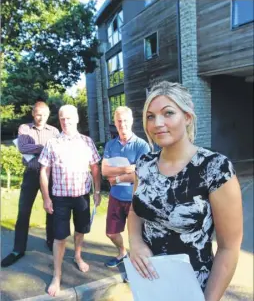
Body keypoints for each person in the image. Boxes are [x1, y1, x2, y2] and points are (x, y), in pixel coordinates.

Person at [128, 81, 243, 300]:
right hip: (149, 284)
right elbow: (135, 211)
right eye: (150, 116)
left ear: (187, 117)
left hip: (194, 289)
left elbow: (229, 248)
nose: (157, 123)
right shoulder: (144, 163)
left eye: (168, 113)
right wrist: (136, 242)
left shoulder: (215, 168)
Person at [39, 104, 101, 297]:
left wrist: (97, 191)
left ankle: (77, 256)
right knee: (59, 237)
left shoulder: (86, 142)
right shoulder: (52, 143)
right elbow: (44, 171)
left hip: (82, 195)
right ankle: (56, 276)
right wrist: (46, 198)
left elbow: (95, 168)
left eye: (69, 118)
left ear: (76, 119)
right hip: (59, 197)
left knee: (81, 230)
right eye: (62, 118)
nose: (66, 122)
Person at [1, 102, 59, 268]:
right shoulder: (24, 128)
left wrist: (36, 150)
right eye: (39, 114)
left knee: (51, 209)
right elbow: (23, 146)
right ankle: (18, 250)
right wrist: (45, 147)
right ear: (33, 113)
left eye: (45, 114)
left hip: (50, 174)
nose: (41, 118)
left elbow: (56, 150)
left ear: (48, 115)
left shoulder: (54, 131)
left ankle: (50, 241)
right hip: (31, 174)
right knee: (23, 211)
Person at [102, 106, 150, 268]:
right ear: (115, 123)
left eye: (125, 121)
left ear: (131, 121)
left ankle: (137, 267)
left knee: (135, 237)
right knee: (111, 233)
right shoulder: (110, 145)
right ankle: (122, 252)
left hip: (134, 198)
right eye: (119, 121)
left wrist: (116, 179)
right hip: (116, 197)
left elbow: (140, 174)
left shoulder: (142, 146)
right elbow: (104, 170)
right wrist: (125, 169)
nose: (122, 124)